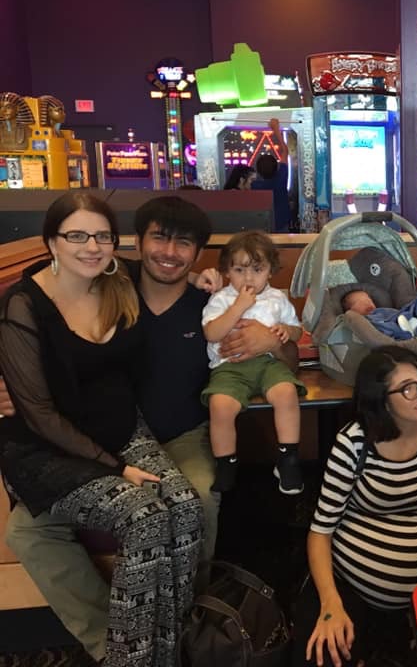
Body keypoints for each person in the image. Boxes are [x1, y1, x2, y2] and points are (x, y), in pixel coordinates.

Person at [0, 192, 204, 667]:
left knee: (187, 509)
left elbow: (166, 269)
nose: (91, 247)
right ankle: (129, 661)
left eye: (102, 236)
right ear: (52, 241)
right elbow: (39, 414)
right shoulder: (22, 304)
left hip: (124, 431)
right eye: (77, 235)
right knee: (145, 518)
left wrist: (204, 277)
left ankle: (167, 653)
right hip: (50, 449)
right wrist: (116, 467)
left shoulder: (118, 281)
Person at [292, 346, 417, 667]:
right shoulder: (354, 444)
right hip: (350, 586)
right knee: (323, 655)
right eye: (408, 389)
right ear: (382, 401)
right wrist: (330, 604)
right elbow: (320, 532)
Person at [202, 230, 306, 494]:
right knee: (220, 405)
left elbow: (297, 330)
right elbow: (212, 333)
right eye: (239, 270)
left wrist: (286, 330)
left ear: (270, 271)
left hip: (270, 364)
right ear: (227, 271)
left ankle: (288, 459)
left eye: (257, 270)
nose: (248, 278)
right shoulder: (221, 299)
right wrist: (238, 306)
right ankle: (226, 463)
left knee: (287, 393)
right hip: (229, 368)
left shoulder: (277, 298)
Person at [253, 117, 292, 232]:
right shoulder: (281, 179)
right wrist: (276, 129)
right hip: (282, 226)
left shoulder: (254, 186)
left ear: (258, 170)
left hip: (261, 227)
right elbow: (285, 151)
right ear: (276, 167)